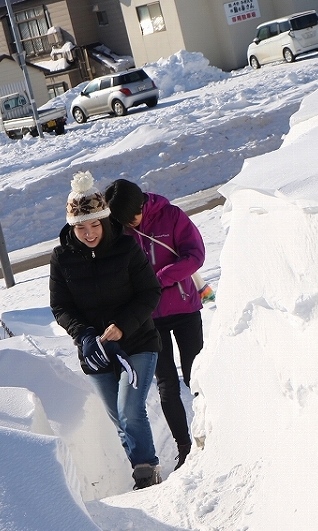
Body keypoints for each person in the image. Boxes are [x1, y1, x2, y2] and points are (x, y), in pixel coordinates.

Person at [50, 172, 164, 490]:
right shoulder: (62, 258)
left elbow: (150, 292)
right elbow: (60, 307)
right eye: (81, 227)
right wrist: (84, 334)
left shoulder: (126, 248)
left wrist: (123, 326)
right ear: (72, 226)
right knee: (118, 416)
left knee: (130, 409)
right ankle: (140, 465)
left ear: (104, 220)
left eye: (95, 225)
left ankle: (146, 471)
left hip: (137, 341)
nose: (89, 233)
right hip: (95, 351)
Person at [105, 179, 206, 470]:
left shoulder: (171, 216)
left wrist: (159, 279)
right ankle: (184, 447)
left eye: (132, 217)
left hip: (185, 309)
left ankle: (211, 434)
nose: (130, 223)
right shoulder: (121, 228)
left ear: (142, 204)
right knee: (166, 385)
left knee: (194, 376)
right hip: (148, 318)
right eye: (123, 221)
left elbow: (195, 255)